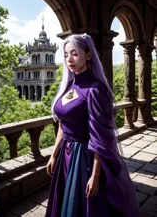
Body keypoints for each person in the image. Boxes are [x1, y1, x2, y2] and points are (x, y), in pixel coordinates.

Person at [45, 34, 138, 217]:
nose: (69, 59)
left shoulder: (95, 90)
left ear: (88, 55)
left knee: (84, 205)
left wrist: (95, 176)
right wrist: (54, 154)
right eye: (65, 54)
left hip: (85, 157)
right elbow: (63, 124)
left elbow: (100, 137)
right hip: (66, 153)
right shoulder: (69, 87)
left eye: (75, 53)